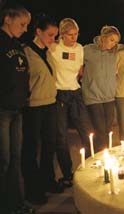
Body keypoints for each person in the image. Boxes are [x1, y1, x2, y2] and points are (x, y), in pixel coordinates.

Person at [22, 13, 64, 206]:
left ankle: (48, 180)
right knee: (32, 148)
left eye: (55, 36)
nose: (52, 39)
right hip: (34, 107)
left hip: (50, 103)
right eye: (49, 35)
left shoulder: (47, 53)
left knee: (50, 145)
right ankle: (33, 189)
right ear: (38, 31)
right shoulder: (27, 52)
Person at [49, 18, 93, 187]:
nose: (74, 38)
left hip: (75, 92)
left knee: (86, 129)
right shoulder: (54, 48)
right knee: (61, 136)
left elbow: (79, 70)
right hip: (59, 93)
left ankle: (90, 168)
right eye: (70, 35)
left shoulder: (80, 49)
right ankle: (67, 174)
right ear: (62, 34)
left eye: (76, 34)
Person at [0, 3, 34, 213]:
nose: (25, 29)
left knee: (15, 158)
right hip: (2, 110)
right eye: (22, 24)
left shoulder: (17, 44)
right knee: (3, 160)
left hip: (17, 109)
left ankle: (17, 203)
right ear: (8, 19)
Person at [82, 26, 121, 152]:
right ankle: (100, 156)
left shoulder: (115, 52)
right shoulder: (87, 50)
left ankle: (105, 154)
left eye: (116, 41)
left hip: (109, 97)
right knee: (100, 129)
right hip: (93, 97)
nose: (113, 43)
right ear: (103, 37)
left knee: (108, 130)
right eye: (111, 40)